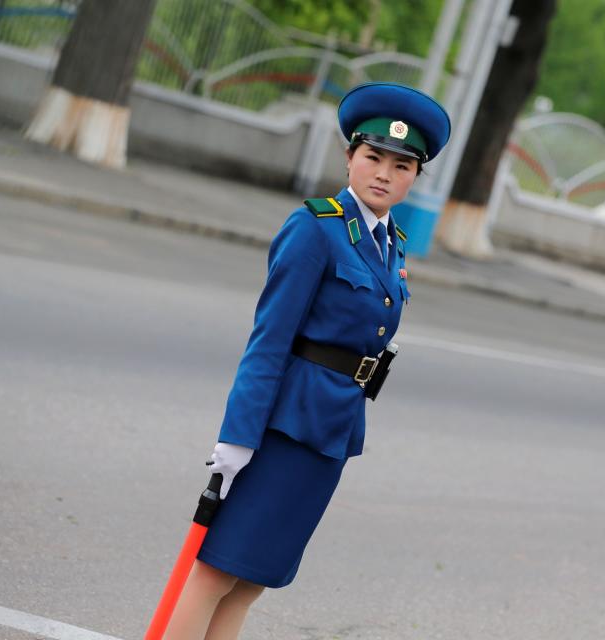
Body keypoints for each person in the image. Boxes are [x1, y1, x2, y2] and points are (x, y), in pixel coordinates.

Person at [164, 82, 451, 640]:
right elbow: (268, 340)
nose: (384, 174)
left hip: (333, 430)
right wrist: (236, 437)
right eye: (372, 157)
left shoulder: (391, 243)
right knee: (216, 572)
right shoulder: (316, 228)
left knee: (253, 580)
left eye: (401, 165)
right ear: (349, 156)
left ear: (415, 176)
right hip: (284, 427)